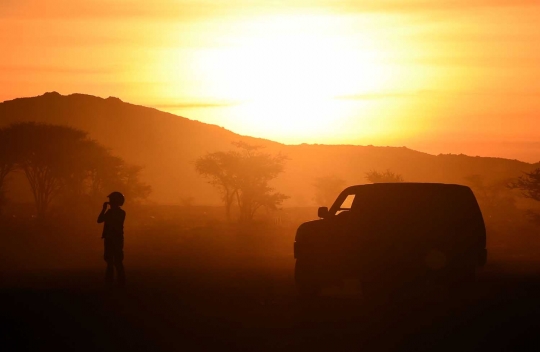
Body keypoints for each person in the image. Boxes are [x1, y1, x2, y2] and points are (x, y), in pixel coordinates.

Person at [97, 192, 126, 286]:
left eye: (111, 200)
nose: (110, 202)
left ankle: (114, 281)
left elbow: (100, 220)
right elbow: (99, 220)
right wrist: (104, 209)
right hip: (113, 239)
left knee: (115, 261)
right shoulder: (119, 212)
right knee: (113, 261)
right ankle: (117, 281)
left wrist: (104, 209)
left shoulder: (119, 213)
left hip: (113, 239)